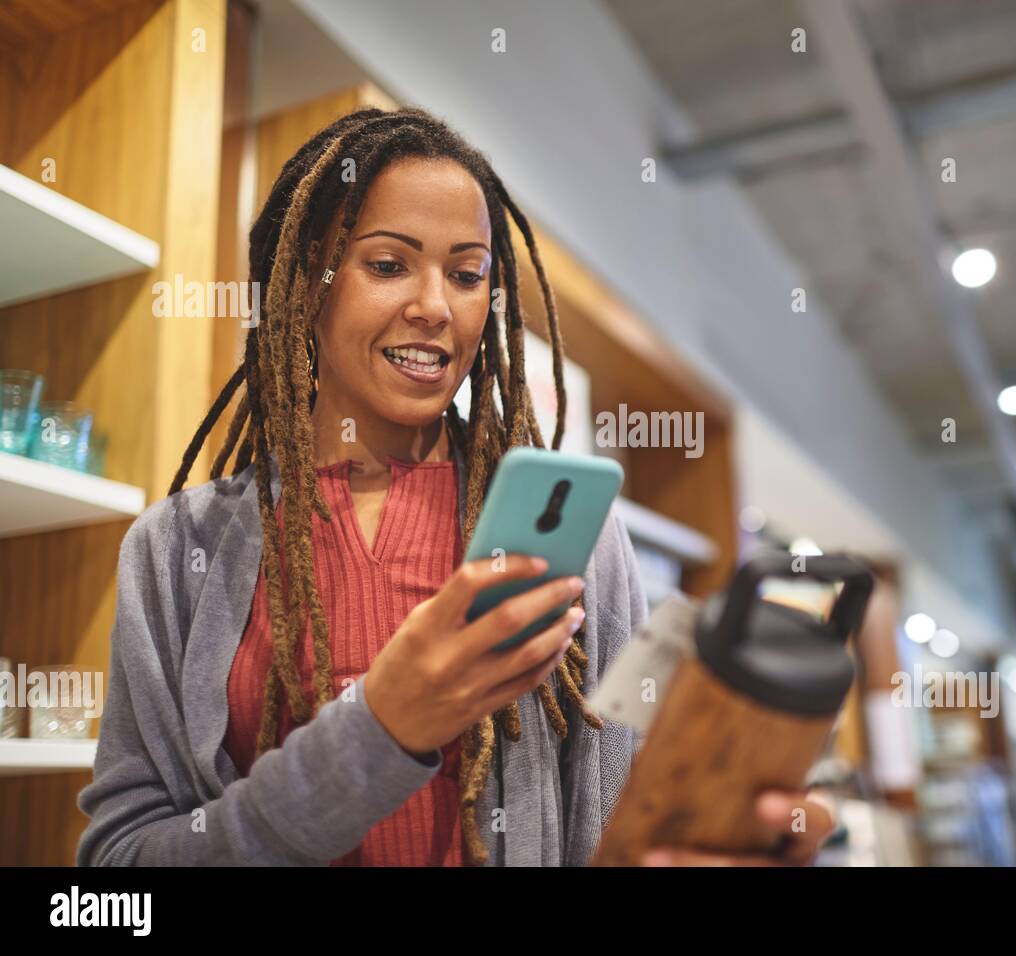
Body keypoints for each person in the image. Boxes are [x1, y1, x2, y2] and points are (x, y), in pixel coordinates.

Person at [75, 107, 834, 866]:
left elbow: (618, 811)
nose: (437, 307)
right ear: (307, 278)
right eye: (388, 264)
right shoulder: (181, 549)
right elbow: (115, 877)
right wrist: (381, 730)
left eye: (468, 274)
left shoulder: (572, 537)